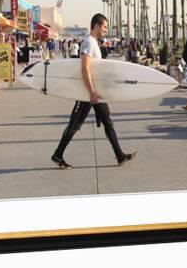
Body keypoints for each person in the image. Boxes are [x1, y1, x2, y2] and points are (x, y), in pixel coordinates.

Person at [51, 13, 137, 169]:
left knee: (107, 122)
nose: (105, 30)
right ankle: (58, 154)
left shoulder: (94, 43)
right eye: (104, 26)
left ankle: (119, 155)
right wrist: (91, 91)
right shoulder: (89, 43)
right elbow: (85, 68)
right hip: (87, 93)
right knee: (74, 125)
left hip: (95, 92)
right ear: (96, 26)